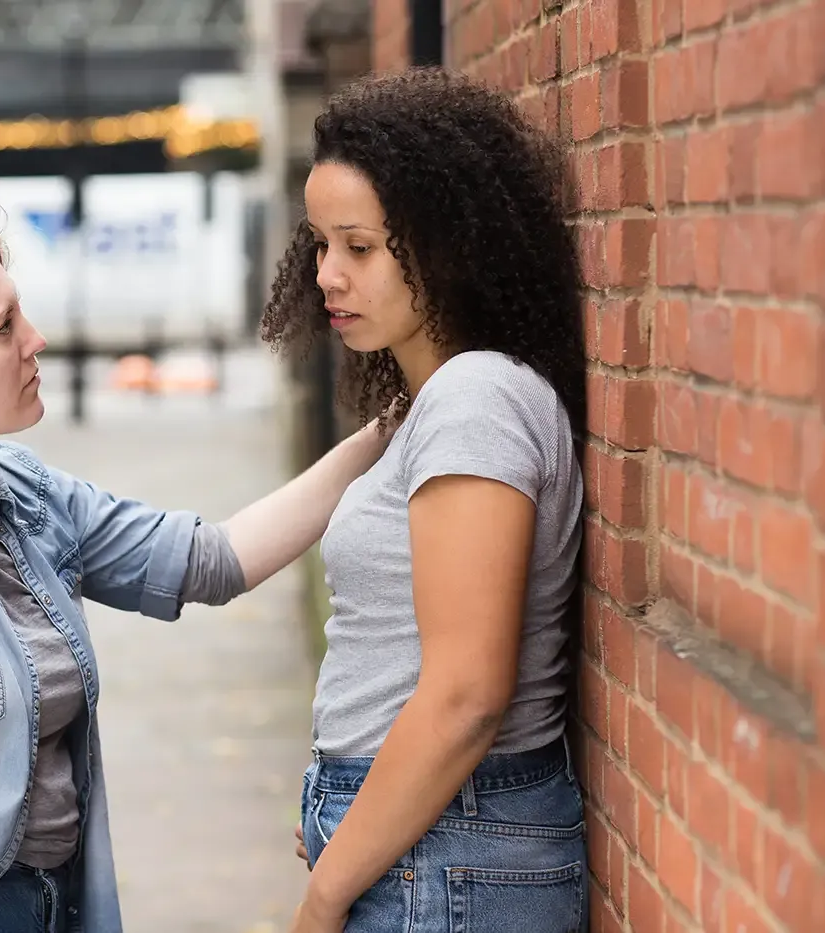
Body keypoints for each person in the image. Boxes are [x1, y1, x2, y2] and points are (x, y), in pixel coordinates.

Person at [0, 217, 393, 933]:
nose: (36, 339)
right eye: (3, 328)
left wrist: (388, 428)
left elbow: (210, 559)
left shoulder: (23, 494)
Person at [263, 69, 588, 933]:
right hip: (428, 845)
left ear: (445, 243)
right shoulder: (432, 407)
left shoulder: (475, 401)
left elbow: (465, 695)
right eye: (319, 242)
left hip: (448, 857)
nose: (327, 274)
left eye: (359, 247)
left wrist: (329, 891)